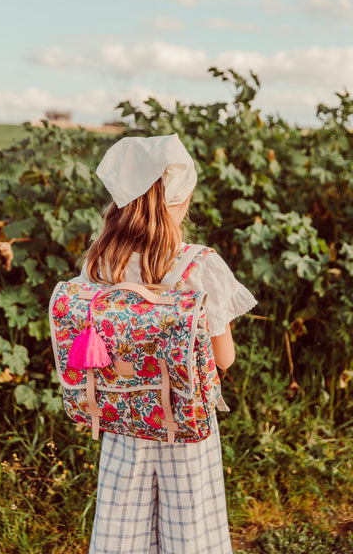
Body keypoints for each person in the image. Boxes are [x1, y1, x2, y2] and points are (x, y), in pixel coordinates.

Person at [76, 133, 257, 554]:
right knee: (191, 532)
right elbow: (223, 358)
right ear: (180, 200)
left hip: (125, 417)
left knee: (123, 531)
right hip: (187, 423)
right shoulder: (199, 265)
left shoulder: (100, 263)